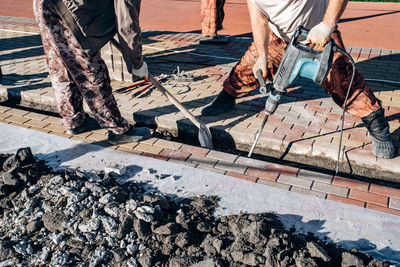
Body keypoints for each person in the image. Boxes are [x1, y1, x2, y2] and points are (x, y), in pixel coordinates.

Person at [201, 0, 394, 158]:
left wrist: (327, 25)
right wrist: (262, 56)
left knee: (343, 82)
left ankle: (378, 127)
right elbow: (258, 20)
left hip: (317, 34)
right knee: (246, 69)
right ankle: (227, 99)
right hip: (278, 37)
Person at [33, 0, 151, 145]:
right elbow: (127, 24)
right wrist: (136, 63)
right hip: (67, 12)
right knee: (91, 72)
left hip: (45, 5)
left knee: (61, 66)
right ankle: (118, 130)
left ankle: (75, 121)